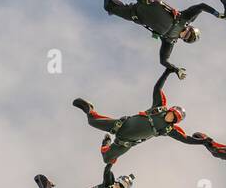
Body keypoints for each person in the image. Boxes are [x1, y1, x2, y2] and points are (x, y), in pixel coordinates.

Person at [102, 0, 218, 79]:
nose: (183, 35)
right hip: (146, 0)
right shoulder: (184, 18)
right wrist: (217, 14)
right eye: (187, 33)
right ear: (189, 28)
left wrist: (175, 69)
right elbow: (201, 6)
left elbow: (163, 61)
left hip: (135, 14)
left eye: (185, 38)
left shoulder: (169, 40)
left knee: (108, 6)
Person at [70, 68, 198, 165]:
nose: (171, 117)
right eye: (172, 114)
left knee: (107, 159)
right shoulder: (159, 108)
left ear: (175, 121)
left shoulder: (169, 130)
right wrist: (167, 72)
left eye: (174, 118)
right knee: (92, 121)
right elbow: (157, 88)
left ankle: (106, 142)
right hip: (122, 125)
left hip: (125, 143)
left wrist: (204, 142)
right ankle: (89, 108)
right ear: (170, 110)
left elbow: (185, 139)